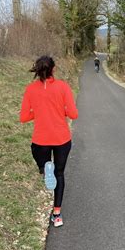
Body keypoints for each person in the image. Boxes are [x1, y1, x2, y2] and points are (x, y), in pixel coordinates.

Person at [20, 56, 78, 227]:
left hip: (41, 140)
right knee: (60, 174)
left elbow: (23, 117)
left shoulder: (30, 89)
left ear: (37, 71)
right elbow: (74, 114)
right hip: (61, 139)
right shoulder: (63, 87)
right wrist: (61, 110)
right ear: (54, 69)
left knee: (37, 152)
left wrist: (38, 112)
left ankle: (44, 168)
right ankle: (57, 215)